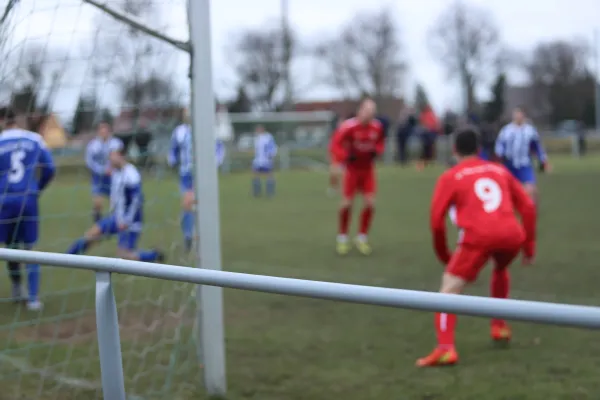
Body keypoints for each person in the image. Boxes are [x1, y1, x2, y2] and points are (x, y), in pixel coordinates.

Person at [417, 127, 536, 367]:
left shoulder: (451, 176)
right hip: (512, 236)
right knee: (501, 269)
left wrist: (444, 255)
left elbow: (436, 222)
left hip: (479, 237)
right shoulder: (498, 170)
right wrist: (529, 246)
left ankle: (445, 349)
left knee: (448, 290)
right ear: (479, 149)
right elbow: (528, 207)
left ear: (454, 150)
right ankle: (499, 325)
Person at [0, 108, 56, 310]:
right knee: (29, 248)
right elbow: (50, 168)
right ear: (17, 119)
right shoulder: (34, 139)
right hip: (28, 200)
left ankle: (16, 286)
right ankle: (33, 298)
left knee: (9, 247)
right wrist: (36, 189)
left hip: (4, 201)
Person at [67, 148, 165, 263]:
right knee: (91, 234)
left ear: (121, 157)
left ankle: (153, 256)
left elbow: (137, 200)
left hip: (130, 221)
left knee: (123, 255)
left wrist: (126, 221)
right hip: (117, 217)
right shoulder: (115, 172)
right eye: (110, 156)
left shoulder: (131, 175)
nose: (110, 159)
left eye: (113, 156)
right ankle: (66, 258)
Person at [330, 98, 384, 256]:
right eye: (367, 111)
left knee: (370, 204)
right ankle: (342, 237)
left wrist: (377, 151)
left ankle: (362, 237)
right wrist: (346, 156)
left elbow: (380, 143)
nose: (370, 115)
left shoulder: (377, 127)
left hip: (368, 171)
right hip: (352, 170)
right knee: (346, 204)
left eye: (373, 112)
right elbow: (335, 144)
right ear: (361, 110)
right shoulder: (349, 126)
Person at [168, 110, 225, 251]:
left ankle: (200, 236)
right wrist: (173, 161)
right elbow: (173, 150)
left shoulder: (206, 129)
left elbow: (219, 148)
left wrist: (214, 163)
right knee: (188, 204)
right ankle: (189, 235)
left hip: (203, 173)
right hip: (186, 175)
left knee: (200, 205)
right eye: (186, 113)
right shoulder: (179, 131)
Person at [494, 107, 550, 201]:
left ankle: (531, 209)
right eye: (516, 114)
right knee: (506, 189)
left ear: (524, 115)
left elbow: (536, 146)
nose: (518, 116)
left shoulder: (530, 131)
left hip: (524, 164)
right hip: (509, 164)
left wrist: (542, 159)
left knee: (531, 189)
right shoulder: (506, 130)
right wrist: (500, 156)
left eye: (520, 114)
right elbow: (500, 145)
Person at [85, 121, 124, 222]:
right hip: (98, 178)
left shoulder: (116, 143)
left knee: (116, 201)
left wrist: (112, 169)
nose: (104, 132)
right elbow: (89, 161)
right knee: (98, 203)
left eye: (106, 129)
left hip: (113, 176)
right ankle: (98, 223)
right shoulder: (92, 145)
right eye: (101, 130)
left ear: (109, 131)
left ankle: (117, 220)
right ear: (98, 131)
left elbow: (120, 158)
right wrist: (101, 170)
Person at [327, 115, 352, 196]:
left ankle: (346, 189)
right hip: (338, 158)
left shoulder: (349, 133)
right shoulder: (337, 133)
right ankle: (334, 188)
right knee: (333, 173)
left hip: (346, 158)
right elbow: (333, 146)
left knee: (345, 175)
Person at [251, 124, 278, 197]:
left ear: (262, 129)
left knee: (270, 175)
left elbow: (272, 147)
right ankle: (256, 193)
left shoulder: (268, 137)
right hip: (258, 160)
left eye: (258, 129)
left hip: (266, 160)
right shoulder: (257, 138)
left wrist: (271, 155)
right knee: (255, 174)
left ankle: (270, 193)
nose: (257, 131)